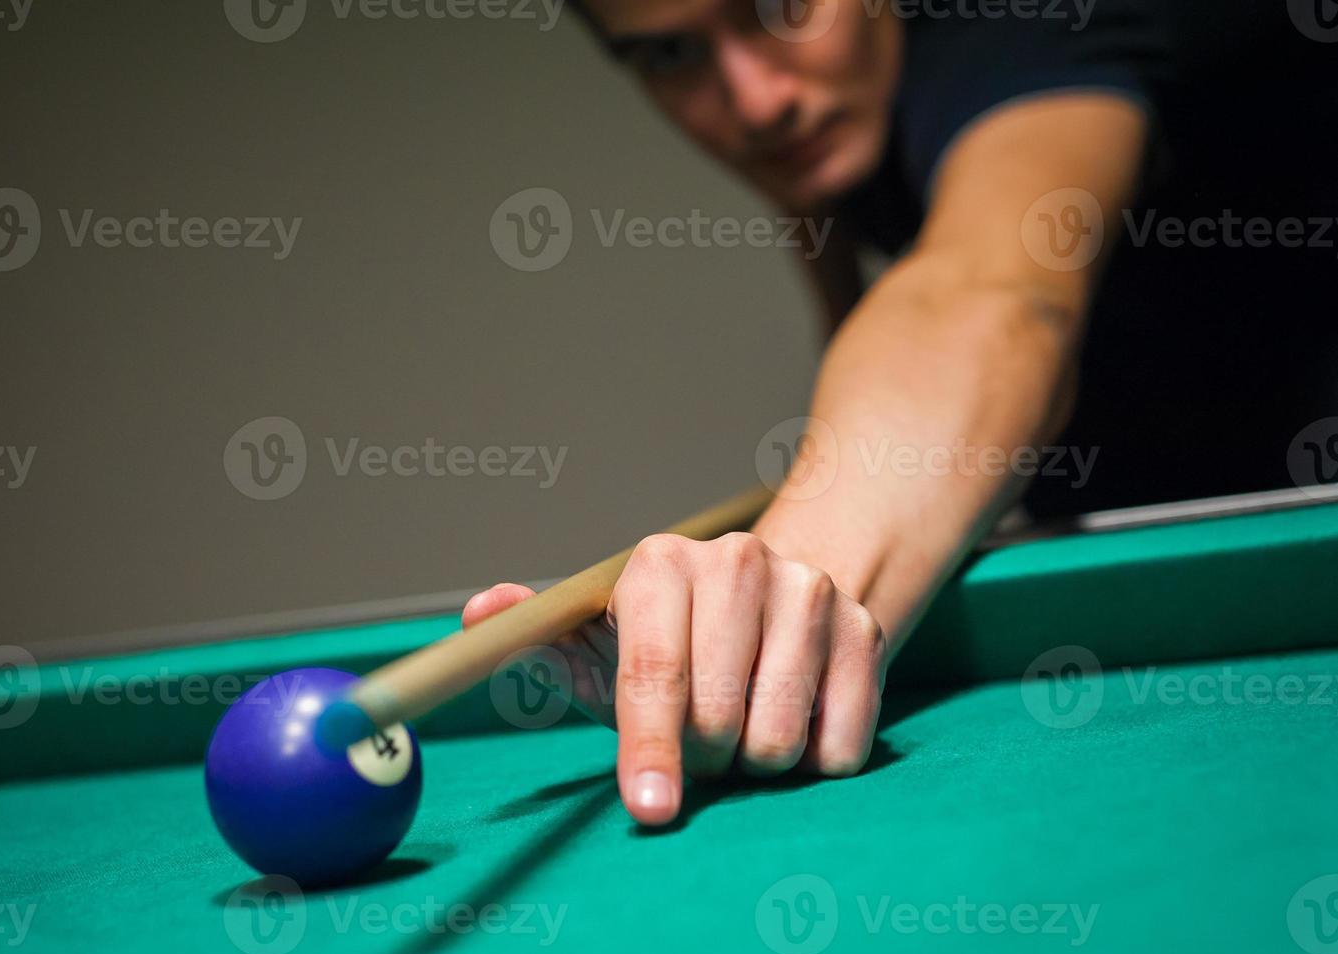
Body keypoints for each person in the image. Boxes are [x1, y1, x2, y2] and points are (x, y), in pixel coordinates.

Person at [465, 0, 1338, 825]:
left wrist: (792, 571)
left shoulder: (1018, 37)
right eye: (670, 53)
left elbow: (986, 290)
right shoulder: (831, 122)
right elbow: (857, 267)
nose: (757, 101)